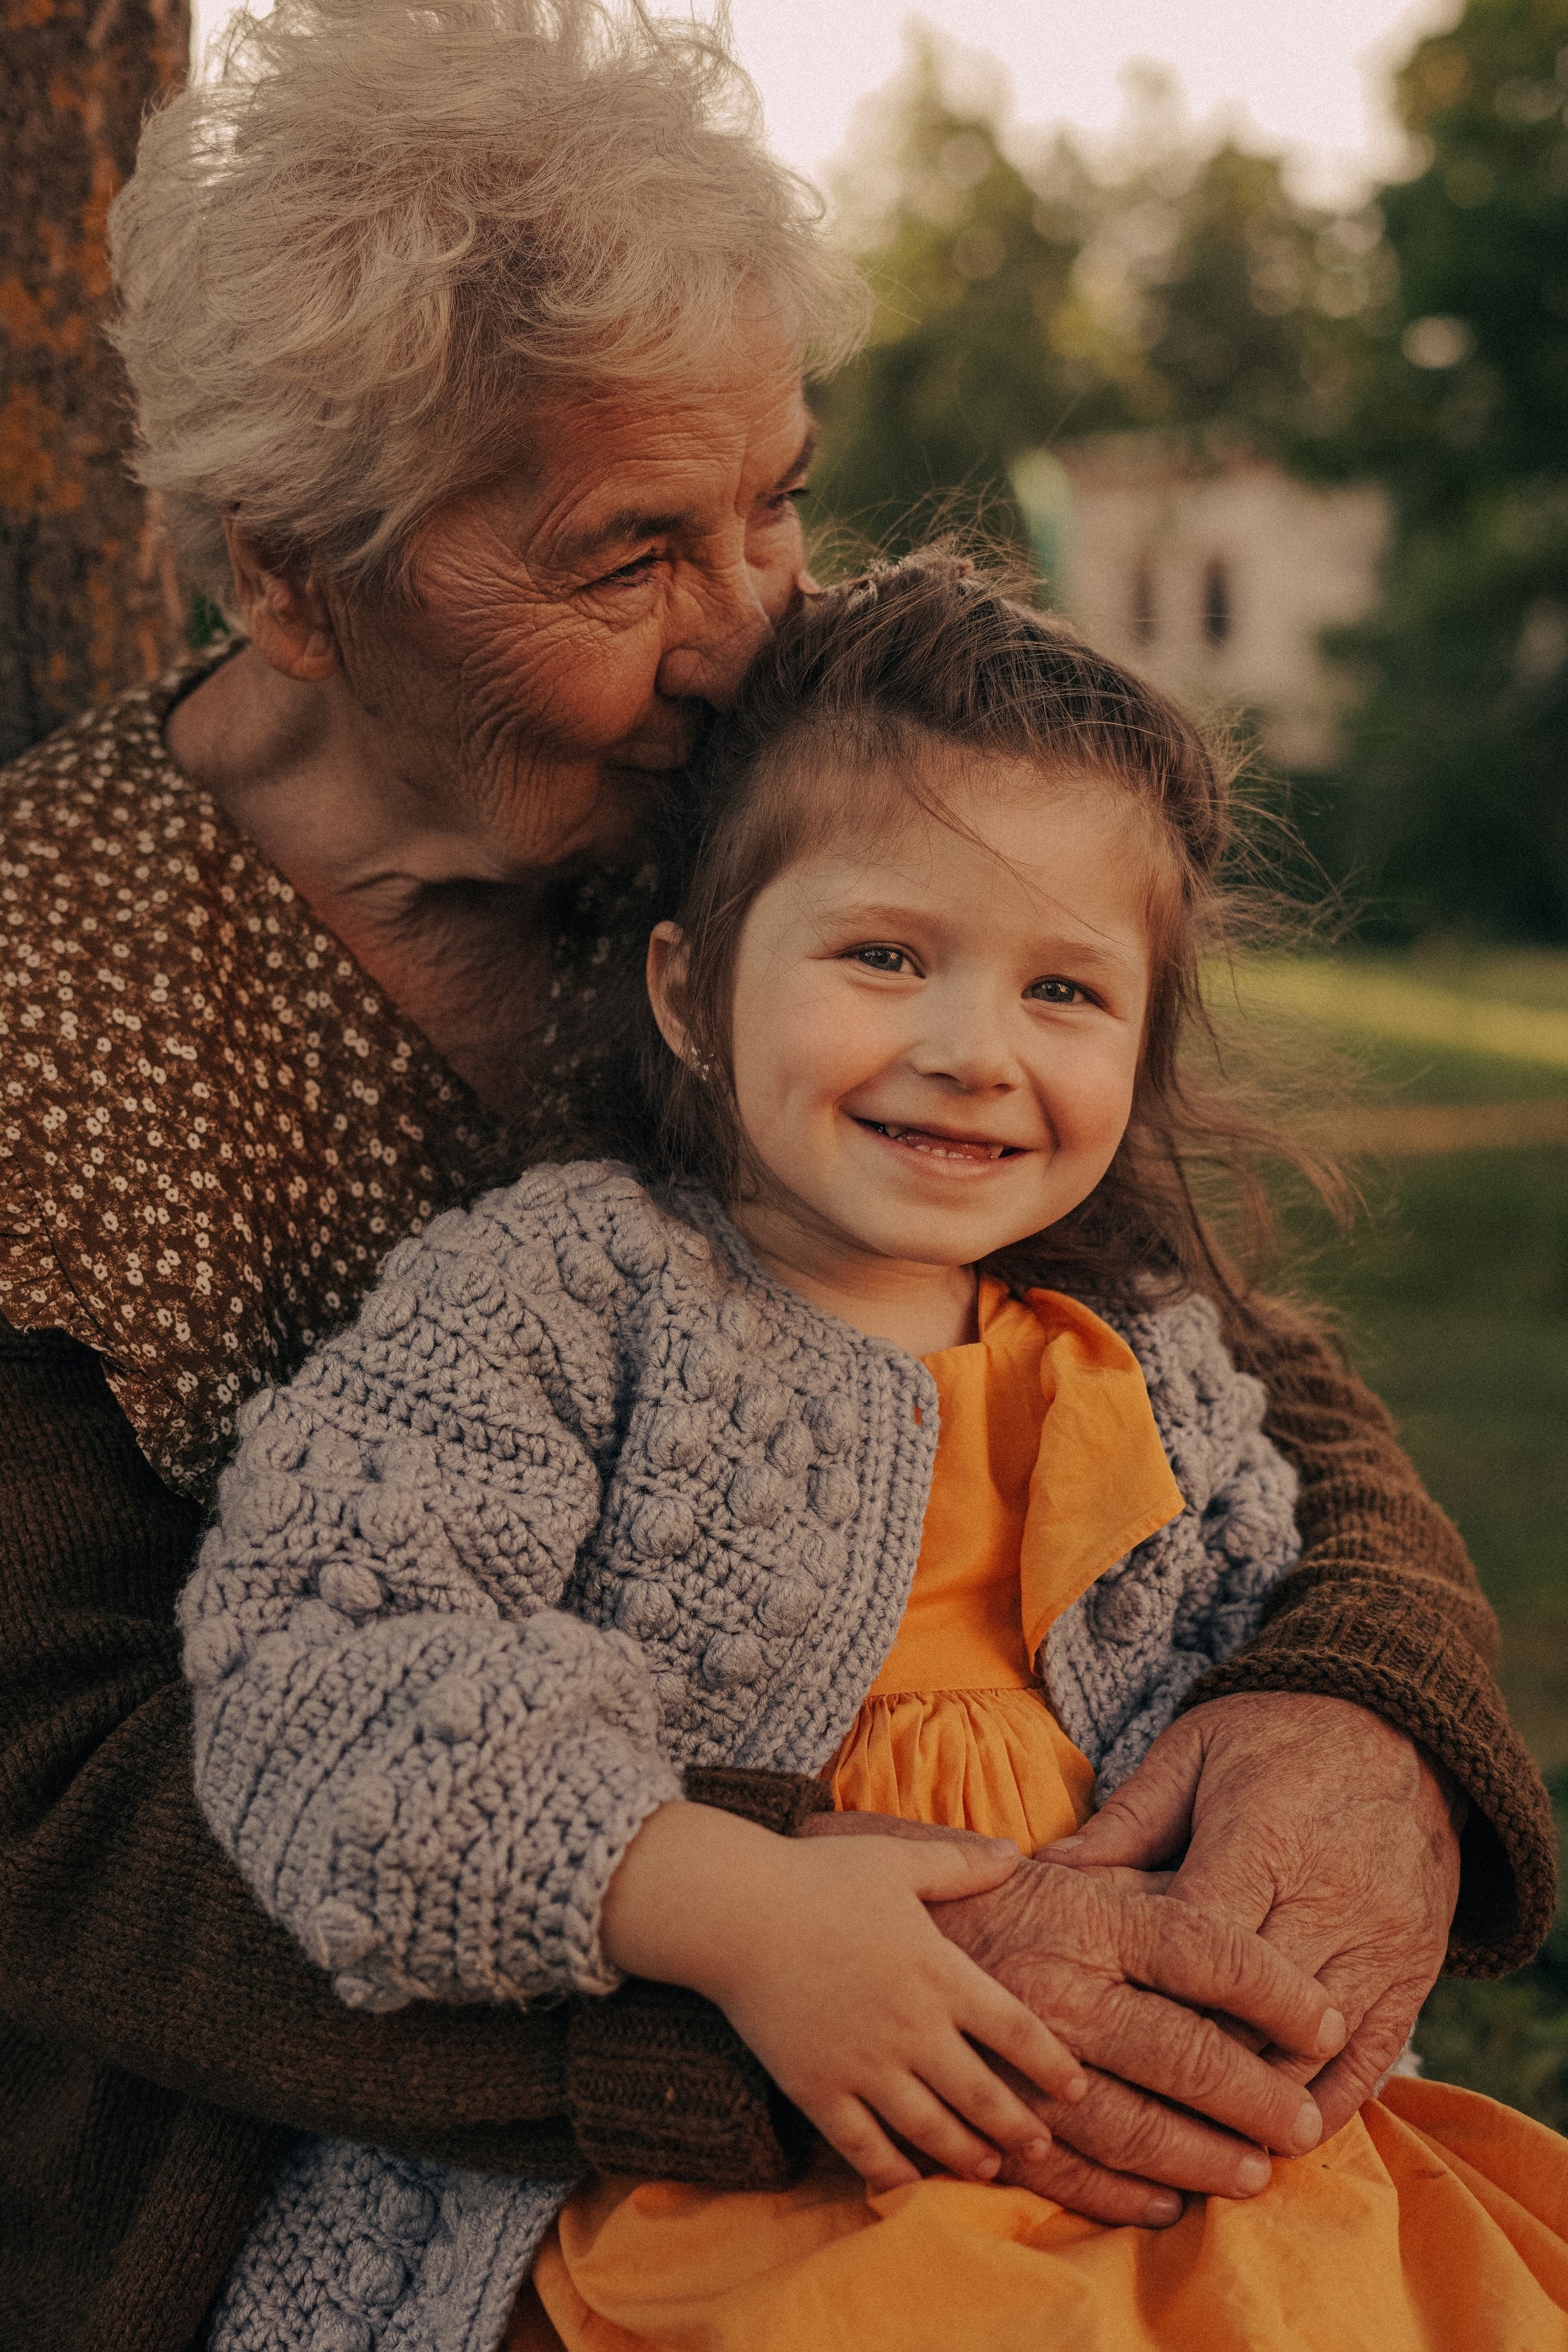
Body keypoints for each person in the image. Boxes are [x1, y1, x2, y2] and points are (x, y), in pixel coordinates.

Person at [0, 1, 1551, 2344]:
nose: (755, 629)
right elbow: (63, 1802)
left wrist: (1367, 1713)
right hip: (379, 2184)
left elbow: (1192, 1348)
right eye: (629, 553)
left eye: (777, 500)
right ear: (292, 578)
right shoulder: (45, 989)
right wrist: (786, 1944)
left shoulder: (807, 820)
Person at [179, 554, 1568, 2352]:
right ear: (690, 991)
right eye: (886, 955)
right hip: (734, 2189)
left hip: (1128, 2153)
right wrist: (732, 1909)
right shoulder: (561, 1301)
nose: (969, 1052)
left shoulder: (1145, 1363)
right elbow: (316, 1670)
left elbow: (1284, 1698)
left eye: (1064, 993)